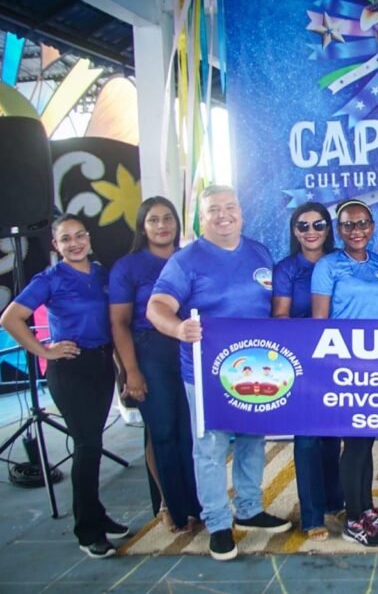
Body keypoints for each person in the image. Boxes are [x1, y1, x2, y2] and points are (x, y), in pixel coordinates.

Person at [147, 185, 292, 561]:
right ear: (201, 216)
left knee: (252, 438)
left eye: (230, 207)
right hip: (206, 373)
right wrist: (178, 328)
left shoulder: (260, 251)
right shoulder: (186, 259)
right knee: (209, 447)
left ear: (241, 212)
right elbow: (157, 307)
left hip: (258, 367)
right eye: (214, 210)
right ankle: (217, 523)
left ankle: (248, 509)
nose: (224, 215)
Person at [0, 214, 129, 558]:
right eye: (66, 239)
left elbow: (113, 324)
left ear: (88, 238)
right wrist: (44, 350)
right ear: (56, 245)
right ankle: (87, 531)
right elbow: (10, 318)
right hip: (70, 369)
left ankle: (97, 514)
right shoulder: (50, 279)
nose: (75, 243)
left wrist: (121, 367)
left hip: (102, 364)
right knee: (86, 446)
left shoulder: (103, 275)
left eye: (79, 236)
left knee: (94, 442)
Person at [311, 199, 378, 548]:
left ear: (373, 226)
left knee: (366, 439)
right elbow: (319, 322)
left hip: (377, 364)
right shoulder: (328, 265)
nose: (357, 230)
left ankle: (366, 509)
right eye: (349, 225)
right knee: (353, 442)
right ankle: (353, 520)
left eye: (363, 223)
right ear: (339, 230)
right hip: (344, 365)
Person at [110, 197, 200, 534]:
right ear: (142, 226)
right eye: (153, 220)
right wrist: (131, 370)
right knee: (162, 432)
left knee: (191, 432)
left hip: (190, 348)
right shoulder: (128, 266)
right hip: (150, 352)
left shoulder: (190, 257)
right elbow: (119, 323)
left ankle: (198, 505)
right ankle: (175, 510)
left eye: (167, 218)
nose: (162, 225)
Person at [271, 202, 342, 541]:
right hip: (302, 360)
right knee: (307, 436)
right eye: (303, 226)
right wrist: (306, 337)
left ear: (329, 229)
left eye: (318, 225)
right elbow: (280, 316)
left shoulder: (342, 261)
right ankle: (312, 515)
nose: (311, 232)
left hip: (340, 358)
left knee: (333, 433)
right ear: (294, 231)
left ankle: (334, 500)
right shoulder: (286, 269)